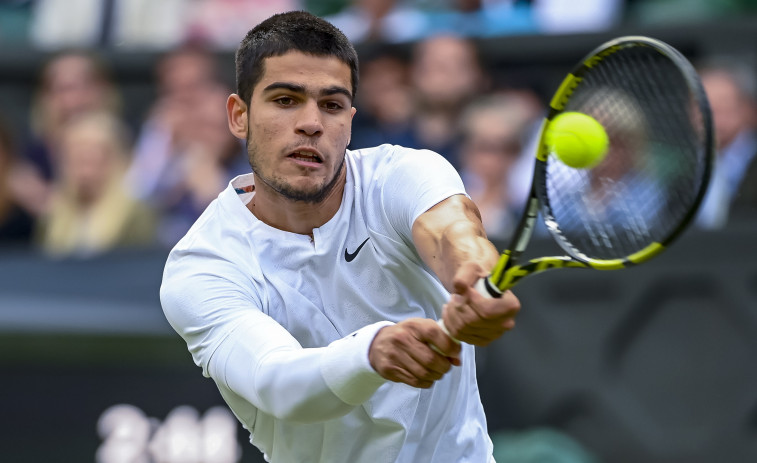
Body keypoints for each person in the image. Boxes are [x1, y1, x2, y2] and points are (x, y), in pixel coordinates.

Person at [160, 11, 520, 463]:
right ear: (239, 116)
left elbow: (454, 233)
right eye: (286, 100)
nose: (311, 123)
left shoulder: (402, 174)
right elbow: (275, 381)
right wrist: (370, 353)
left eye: (331, 105)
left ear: (349, 121)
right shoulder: (203, 264)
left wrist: (476, 280)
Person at [36, 111, 156, 258]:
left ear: (116, 161)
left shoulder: (136, 214)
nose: (85, 169)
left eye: (93, 158)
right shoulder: (52, 215)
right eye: (77, 158)